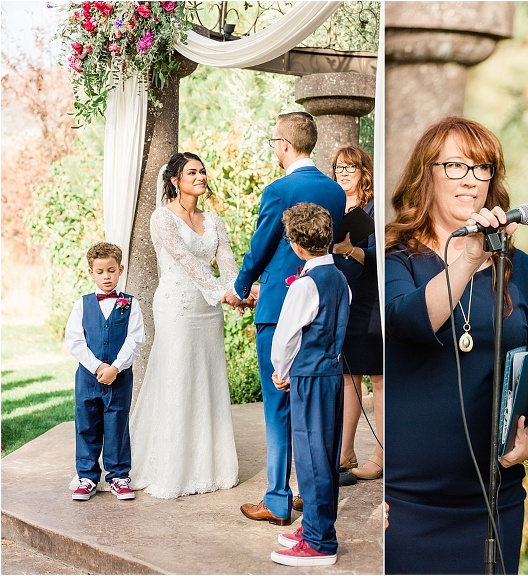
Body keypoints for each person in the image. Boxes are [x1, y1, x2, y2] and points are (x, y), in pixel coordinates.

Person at [384, 116, 528, 574]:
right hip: (408, 503)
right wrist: (467, 259)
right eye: (456, 166)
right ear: (428, 174)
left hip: (494, 500)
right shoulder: (395, 259)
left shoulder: (520, 270)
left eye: (482, 169)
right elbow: (409, 321)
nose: (472, 180)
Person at [223, 111, 346, 526]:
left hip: (280, 305)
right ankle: (308, 491)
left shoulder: (278, 190)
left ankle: (278, 498)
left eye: (274, 142)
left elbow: (260, 248)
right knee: (309, 404)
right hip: (325, 302)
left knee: (278, 405)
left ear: (284, 144)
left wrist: (240, 287)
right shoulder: (335, 192)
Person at [129, 152, 240, 499]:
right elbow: (187, 261)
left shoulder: (214, 220)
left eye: (203, 171)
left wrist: (237, 293)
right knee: (177, 378)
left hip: (209, 313)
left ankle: (212, 465)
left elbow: (228, 263)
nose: (201, 176)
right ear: (175, 180)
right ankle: (170, 468)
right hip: (177, 307)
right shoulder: (161, 218)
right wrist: (219, 292)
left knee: (208, 379)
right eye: (193, 172)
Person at [269, 202, 351, 567]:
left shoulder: (304, 285)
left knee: (311, 458)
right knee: (326, 456)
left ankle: (320, 542)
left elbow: (286, 337)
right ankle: (318, 526)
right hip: (333, 377)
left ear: (295, 245)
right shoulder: (340, 280)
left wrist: (281, 371)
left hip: (308, 378)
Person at [65, 242, 145, 501]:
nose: (106, 276)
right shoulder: (82, 304)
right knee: (87, 424)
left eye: (111, 270)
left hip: (119, 377)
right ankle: (87, 476)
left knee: (117, 425)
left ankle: (119, 476)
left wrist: (115, 367)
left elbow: (135, 339)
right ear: (91, 273)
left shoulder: (130, 304)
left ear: (120, 269)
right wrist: (98, 366)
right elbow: (75, 340)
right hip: (88, 378)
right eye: (100, 272)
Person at [329, 145, 383, 484]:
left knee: (378, 379)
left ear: (364, 171)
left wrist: (353, 250)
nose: (344, 173)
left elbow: (384, 255)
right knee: (347, 377)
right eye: (338, 167)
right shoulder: (334, 207)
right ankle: (346, 451)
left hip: (371, 300)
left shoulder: (375, 207)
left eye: (351, 167)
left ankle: (381, 454)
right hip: (342, 301)